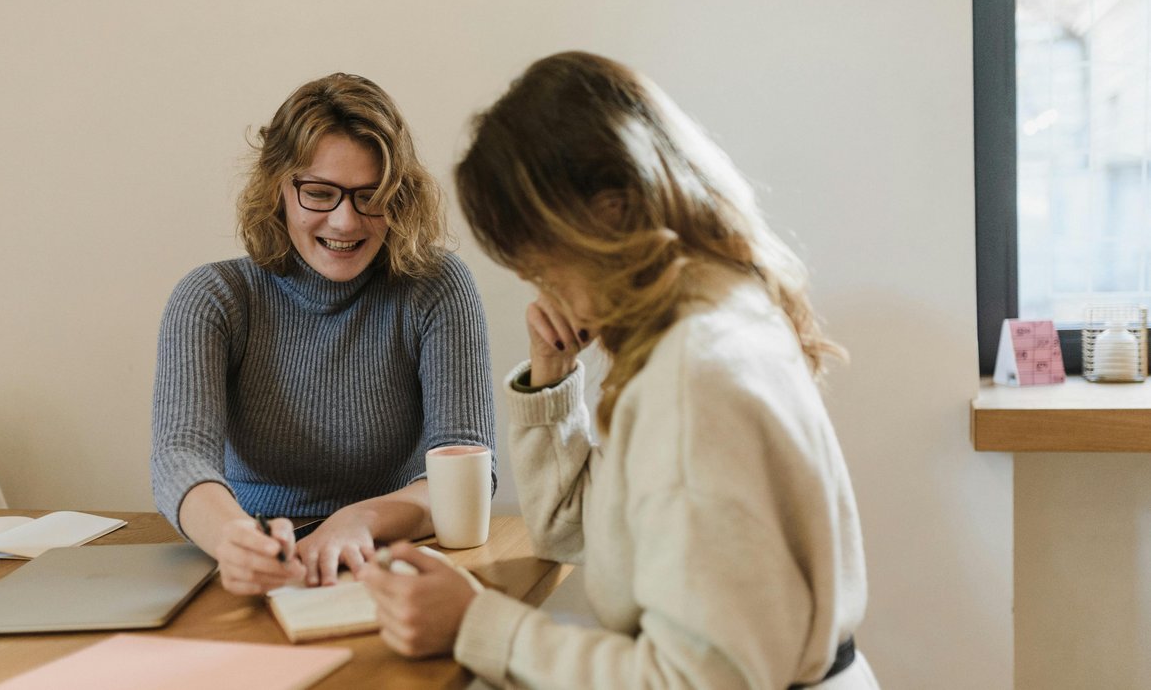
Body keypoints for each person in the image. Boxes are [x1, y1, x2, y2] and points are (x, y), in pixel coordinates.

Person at [359, 52, 879, 689]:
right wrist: (551, 381)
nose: (546, 297)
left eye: (544, 268)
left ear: (608, 217)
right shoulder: (726, 313)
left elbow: (695, 681)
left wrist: (478, 624)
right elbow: (575, 530)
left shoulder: (691, 380)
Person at [150, 73, 495, 595]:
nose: (345, 221)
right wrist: (234, 539)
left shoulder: (436, 287)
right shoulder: (214, 298)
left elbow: (467, 471)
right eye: (318, 193)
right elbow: (179, 459)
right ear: (278, 188)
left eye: (370, 196)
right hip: (259, 559)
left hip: (391, 557)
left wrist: (359, 520)